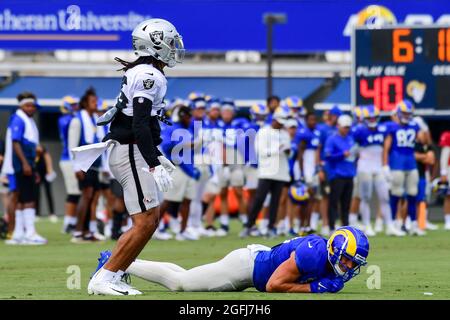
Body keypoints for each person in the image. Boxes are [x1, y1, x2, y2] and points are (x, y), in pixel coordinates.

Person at [85, 18, 183, 295]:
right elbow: (139, 122)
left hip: (131, 150)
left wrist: (157, 154)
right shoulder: (149, 75)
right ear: (157, 43)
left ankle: (112, 272)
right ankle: (105, 277)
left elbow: (141, 120)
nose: (174, 47)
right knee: (146, 220)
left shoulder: (145, 72)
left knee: (149, 218)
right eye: (171, 41)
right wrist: (152, 161)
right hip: (130, 151)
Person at [93, 226, 369, 294]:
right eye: (346, 261)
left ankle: (120, 262)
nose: (347, 267)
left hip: (257, 262)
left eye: (352, 264)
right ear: (334, 249)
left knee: (186, 275)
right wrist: (312, 289)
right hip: (245, 268)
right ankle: (114, 262)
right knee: (181, 284)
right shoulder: (314, 253)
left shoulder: (325, 257)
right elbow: (274, 285)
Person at [352, 105, 405, 237]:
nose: (372, 120)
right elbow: (350, 144)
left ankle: (389, 225)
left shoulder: (383, 128)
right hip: (364, 167)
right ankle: (367, 225)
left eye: (374, 117)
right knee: (365, 197)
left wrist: (395, 113)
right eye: (369, 117)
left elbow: (397, 124)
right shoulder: (358, 130)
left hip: (378, 167)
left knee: (385, 197)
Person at [240, 106, 291, 238]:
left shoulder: (285, 134)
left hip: (281, 172)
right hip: (267, 171)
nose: (281, 124)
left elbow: (289, 153)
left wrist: (287, 151)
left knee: (275, 201)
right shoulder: (263, 132)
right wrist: (277, 149)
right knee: (259, 199)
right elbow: (260, 152)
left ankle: (270, 228)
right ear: (274, 119)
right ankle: (249, 226)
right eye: (280, 122)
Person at [5, 92, 47, 245]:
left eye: (32, 106)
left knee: (22, 199)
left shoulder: (27, 120)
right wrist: (25, 164)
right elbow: (16, 142)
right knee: (28, 199)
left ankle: (18, 233)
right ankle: (28, 233)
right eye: (28, 106)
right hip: (21, 165)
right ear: (21, 106)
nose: (31, 108)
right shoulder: (19, 119)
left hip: (27, 164)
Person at [383, 100, 424, 236]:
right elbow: (386, 148)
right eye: (404, 113)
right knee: (396, 194)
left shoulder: (414, 126)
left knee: (412, 193)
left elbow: (423, 141)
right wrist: (385, 166)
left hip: (411, 163)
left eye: (409, 113)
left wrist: (422, 128)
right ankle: (394, 223)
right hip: (397, 164)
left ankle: (413, 224)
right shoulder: (392, 127)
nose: (407, 116)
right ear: (399, 113)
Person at [69, 88, 103, 243]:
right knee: (86, 195)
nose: (96, 104)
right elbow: (72, 145)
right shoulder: (77, 120)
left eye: (96, 101)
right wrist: (76, 167)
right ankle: (77, 231)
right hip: (83, 164)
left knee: (93, 197)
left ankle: (88, 231)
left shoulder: (96, 119)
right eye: (93, 101)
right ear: (85, 103)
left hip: (95, 164)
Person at [324, 114, 357, 232]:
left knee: (346, 203)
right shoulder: (332, 139)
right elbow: (328, 156)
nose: (346, 129)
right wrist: (342, 154)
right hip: (337, 175)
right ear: (338, 126)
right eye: (344, 127)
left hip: (349, 174)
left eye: (348, 127)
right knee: (334, 202)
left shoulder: (350, 138)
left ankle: (345, 227)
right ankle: (331, 226)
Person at [58, 96, 80, 233]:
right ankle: (68, 223)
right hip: (69, 159)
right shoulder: (69, 120)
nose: (76, 106)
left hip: (68, 158)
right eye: (73, 104)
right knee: (74, 193)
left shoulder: (67, 119)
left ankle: (71, 221)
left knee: (76, 192)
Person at [35, 145, 57, 222]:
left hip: (46, 175)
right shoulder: (33, 152)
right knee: (37, 195)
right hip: (37, 176)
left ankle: (52, 214)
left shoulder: (44, 152)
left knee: (48, 193)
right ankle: (37, 214)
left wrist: (49, 172)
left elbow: (49, 163)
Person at [439, 131, 450, 230]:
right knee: (448, 195)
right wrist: (443, 172)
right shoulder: (447, 135)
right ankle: (448, 220)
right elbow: (445, 155)